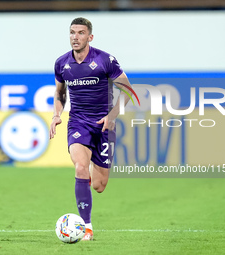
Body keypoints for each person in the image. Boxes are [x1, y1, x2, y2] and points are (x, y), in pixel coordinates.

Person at [49, 17, 132, 241]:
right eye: (72, 32)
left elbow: (127, 91)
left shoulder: (105, 60)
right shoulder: (61, 63)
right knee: (80, 168)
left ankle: (94, 169)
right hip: (78, 122)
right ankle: (86, 227)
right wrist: (57, 114)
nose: (75, 37)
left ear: (90, 37)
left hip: (104, 124)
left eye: (81, 33)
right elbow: (60, 93)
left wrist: (112, 116)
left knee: (99, 185)